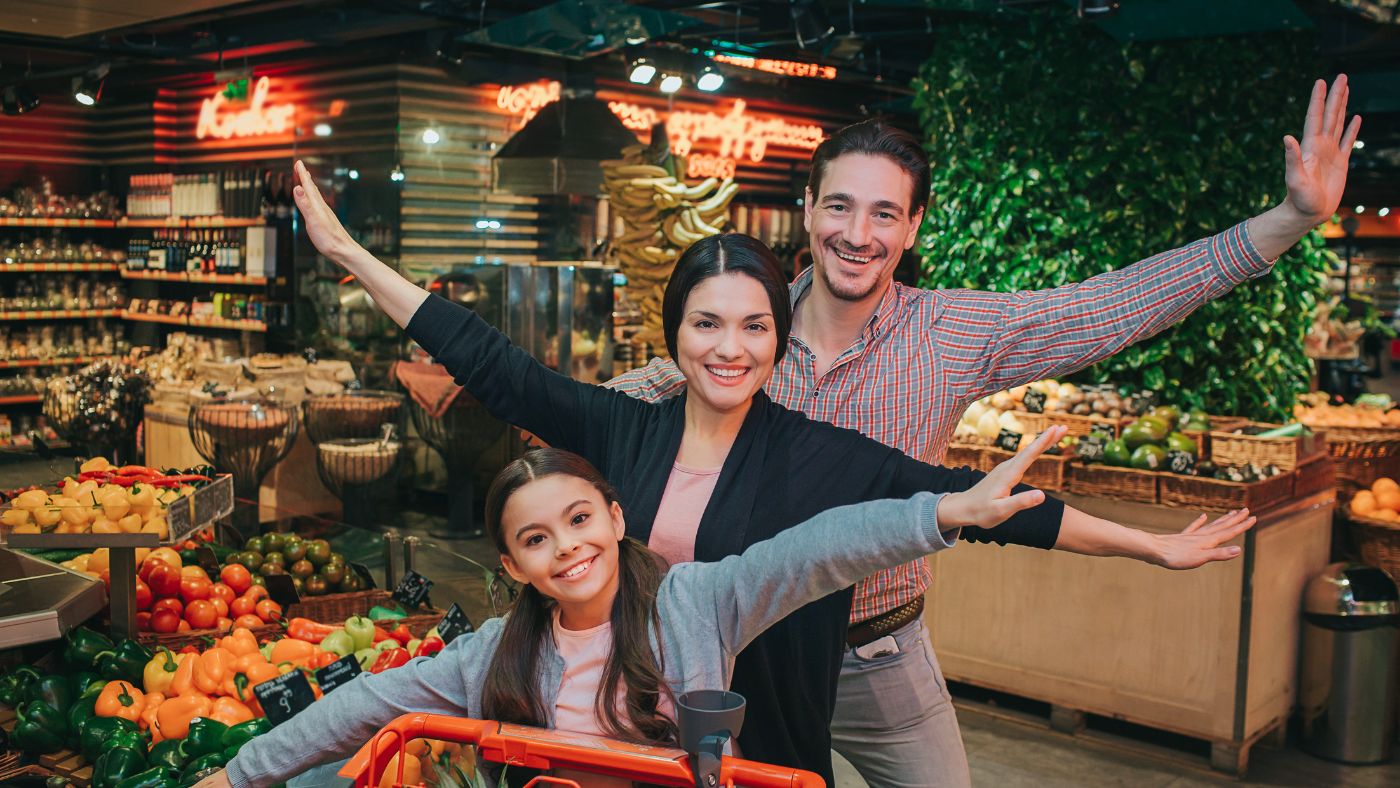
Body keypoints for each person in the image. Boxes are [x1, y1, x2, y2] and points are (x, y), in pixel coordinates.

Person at [283, 159, 1254, 783]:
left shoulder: (815, 454)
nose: (729, 346)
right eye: (706, 322)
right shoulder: (622, 426)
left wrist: (1150, 547)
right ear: (676, 333)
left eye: (753, 324)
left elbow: (985, 509)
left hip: (766, 719)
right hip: (623, 730)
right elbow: (493, 363)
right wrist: (347, 252)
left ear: (776, 339)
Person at [605, 76, 1360, 785]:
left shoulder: (950, 334)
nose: (857, 234)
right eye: (839, 207)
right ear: (808, 209)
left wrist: (1290, 219)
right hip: (742, 649)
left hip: (878, 647)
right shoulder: (749, 326)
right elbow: (641, 393)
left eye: (884, 213)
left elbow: (1111, 307)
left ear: (914, 225)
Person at [207, 440, 1245, 788]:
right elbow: (365, 703)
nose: (566, 545)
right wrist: (235, 772)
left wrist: (947, 512)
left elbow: (826, 541)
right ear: (513, 565)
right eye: (536, 538)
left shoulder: (699, 596)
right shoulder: (490, 654)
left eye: (579, 517)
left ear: (616, 517)